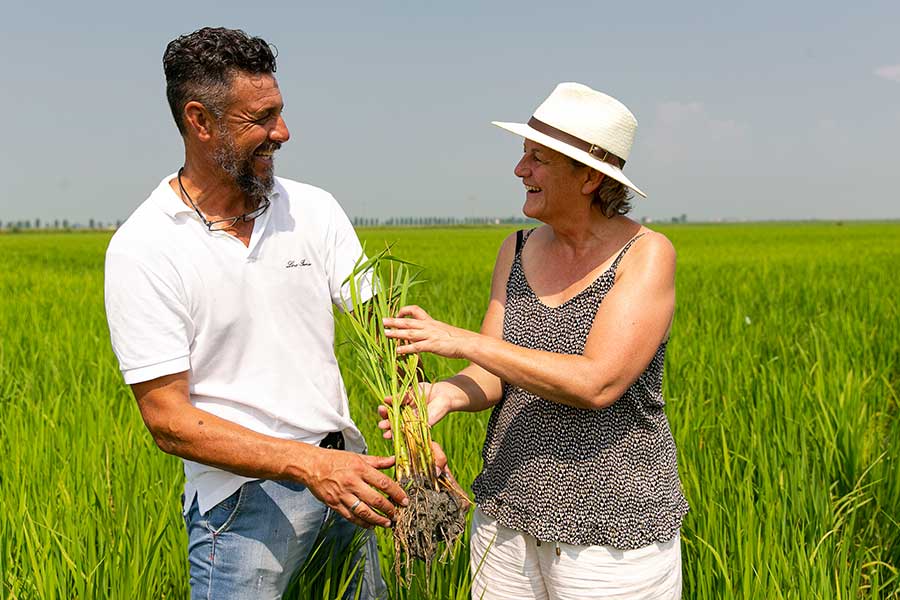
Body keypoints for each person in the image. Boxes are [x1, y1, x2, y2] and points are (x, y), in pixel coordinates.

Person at [104, 27, 406, 599]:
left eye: (280, 112)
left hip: (347, 476)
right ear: (201, 121)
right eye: (261, 119)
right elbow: (167, 419)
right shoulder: (144, 246)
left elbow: (383, 331)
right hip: (242, 506)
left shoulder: (313, 209)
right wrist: (305, 467)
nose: (283, 132)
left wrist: (413, 430)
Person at [380, 82, 690, 599]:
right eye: (523, 155)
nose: (520, 170)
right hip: (506, 520)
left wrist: (461, 342)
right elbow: (492, 373)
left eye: (538, 159)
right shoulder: (517, 248)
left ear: (590, 176)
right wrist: (449, 394)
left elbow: (597, 382)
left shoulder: (645, 254)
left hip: (610, 534)